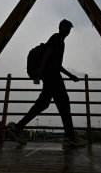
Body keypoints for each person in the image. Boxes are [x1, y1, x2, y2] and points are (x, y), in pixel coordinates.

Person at [7, 19, 89, 147]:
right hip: (52, 76)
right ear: (60, 27)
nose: (67, 30)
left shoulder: (60, 41)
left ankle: (17, 128)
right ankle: (70, 137)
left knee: (43, 104)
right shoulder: (56, 38)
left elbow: (57, 64)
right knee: (63, 104)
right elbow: (47, 53)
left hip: (52, 75)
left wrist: (70, 75)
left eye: (69, 28)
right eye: (65, 27)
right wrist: (40, 70)